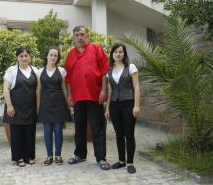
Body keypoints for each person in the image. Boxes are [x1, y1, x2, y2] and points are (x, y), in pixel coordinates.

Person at [64, 25, 110, 170]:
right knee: (79, 128)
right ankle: (80, 154)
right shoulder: (71, 54)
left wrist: (103, 90)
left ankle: (101, 157)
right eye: (77, 35)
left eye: (82, 34)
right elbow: (69, 78)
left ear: (87, 36)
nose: (80, 37)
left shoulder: (96, 48)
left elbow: (104, 71)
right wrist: (70, 95)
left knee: (97, 128)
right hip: (78, 97)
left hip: (94, 96)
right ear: (73, 38)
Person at [105, 43, 140, 174]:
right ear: (112, 54)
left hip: (128, 104)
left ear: (124, 54)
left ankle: (130, 162)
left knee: (129, 134)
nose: (118, 54)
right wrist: (107, 109)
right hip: (114, 105)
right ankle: (121, 161)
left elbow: (136, 87)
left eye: (120, 52)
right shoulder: (109, 71)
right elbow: (109, 92)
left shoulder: (131, 67)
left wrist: (136, 105)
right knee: (119, 134)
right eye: (115, 52)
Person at [3, 47, 39, 167]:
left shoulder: (35, 70)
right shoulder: (12, 70)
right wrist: (9, 106)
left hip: (30, 107)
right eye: (21, 56)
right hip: (15, 108)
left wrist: (38, 106)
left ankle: (29, 156)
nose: (24, 58)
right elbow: (6, 89)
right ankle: (18, 158)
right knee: (17, 134)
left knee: (30, 133)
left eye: (26, 55)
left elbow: (38, 91)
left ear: (29, 57)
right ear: (17, 57)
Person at [37, 47, 70, 166]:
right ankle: (49, 156)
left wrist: (67, 104)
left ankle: (58, 156)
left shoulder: (62, 71)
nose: (53, 57)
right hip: (45, 103)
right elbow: (39, 90)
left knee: (58, 131)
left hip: (59, 103)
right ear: (46, 56)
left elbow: (64, 88)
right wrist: (38, 106)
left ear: (57, 58)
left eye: (55, 55)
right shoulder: (39, 71)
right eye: (51, 55)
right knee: (47, 131)